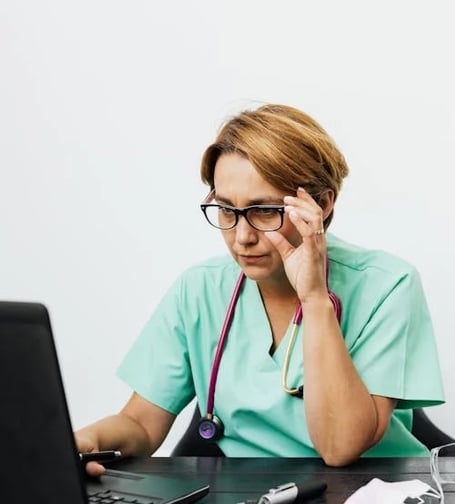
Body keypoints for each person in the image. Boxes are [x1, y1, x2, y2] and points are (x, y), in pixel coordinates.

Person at [76, 102, 445, 474]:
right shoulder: (200, 289)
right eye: (226, 210)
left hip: (370, 497)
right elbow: (141, 423)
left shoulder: (387, 285)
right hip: (247, 503)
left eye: (265, 211)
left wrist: (315, 299)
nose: (242, 237)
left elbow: (340, 448)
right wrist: (87, 443)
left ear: (322, 204)